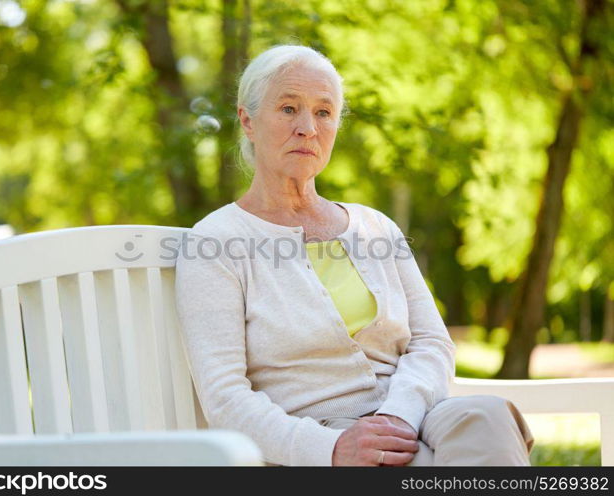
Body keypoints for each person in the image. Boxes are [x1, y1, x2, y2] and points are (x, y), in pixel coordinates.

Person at [174, 44, 534, 466]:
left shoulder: (375, 227)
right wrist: (331, 449)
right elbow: (226, 398)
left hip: (414, 415)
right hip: (318, 438)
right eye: (289, 109)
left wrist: (399, 415)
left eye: (324, 112)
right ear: (247, 120)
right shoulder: (214, 243)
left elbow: (432, 342)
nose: (307, 127)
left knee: (487, 415)